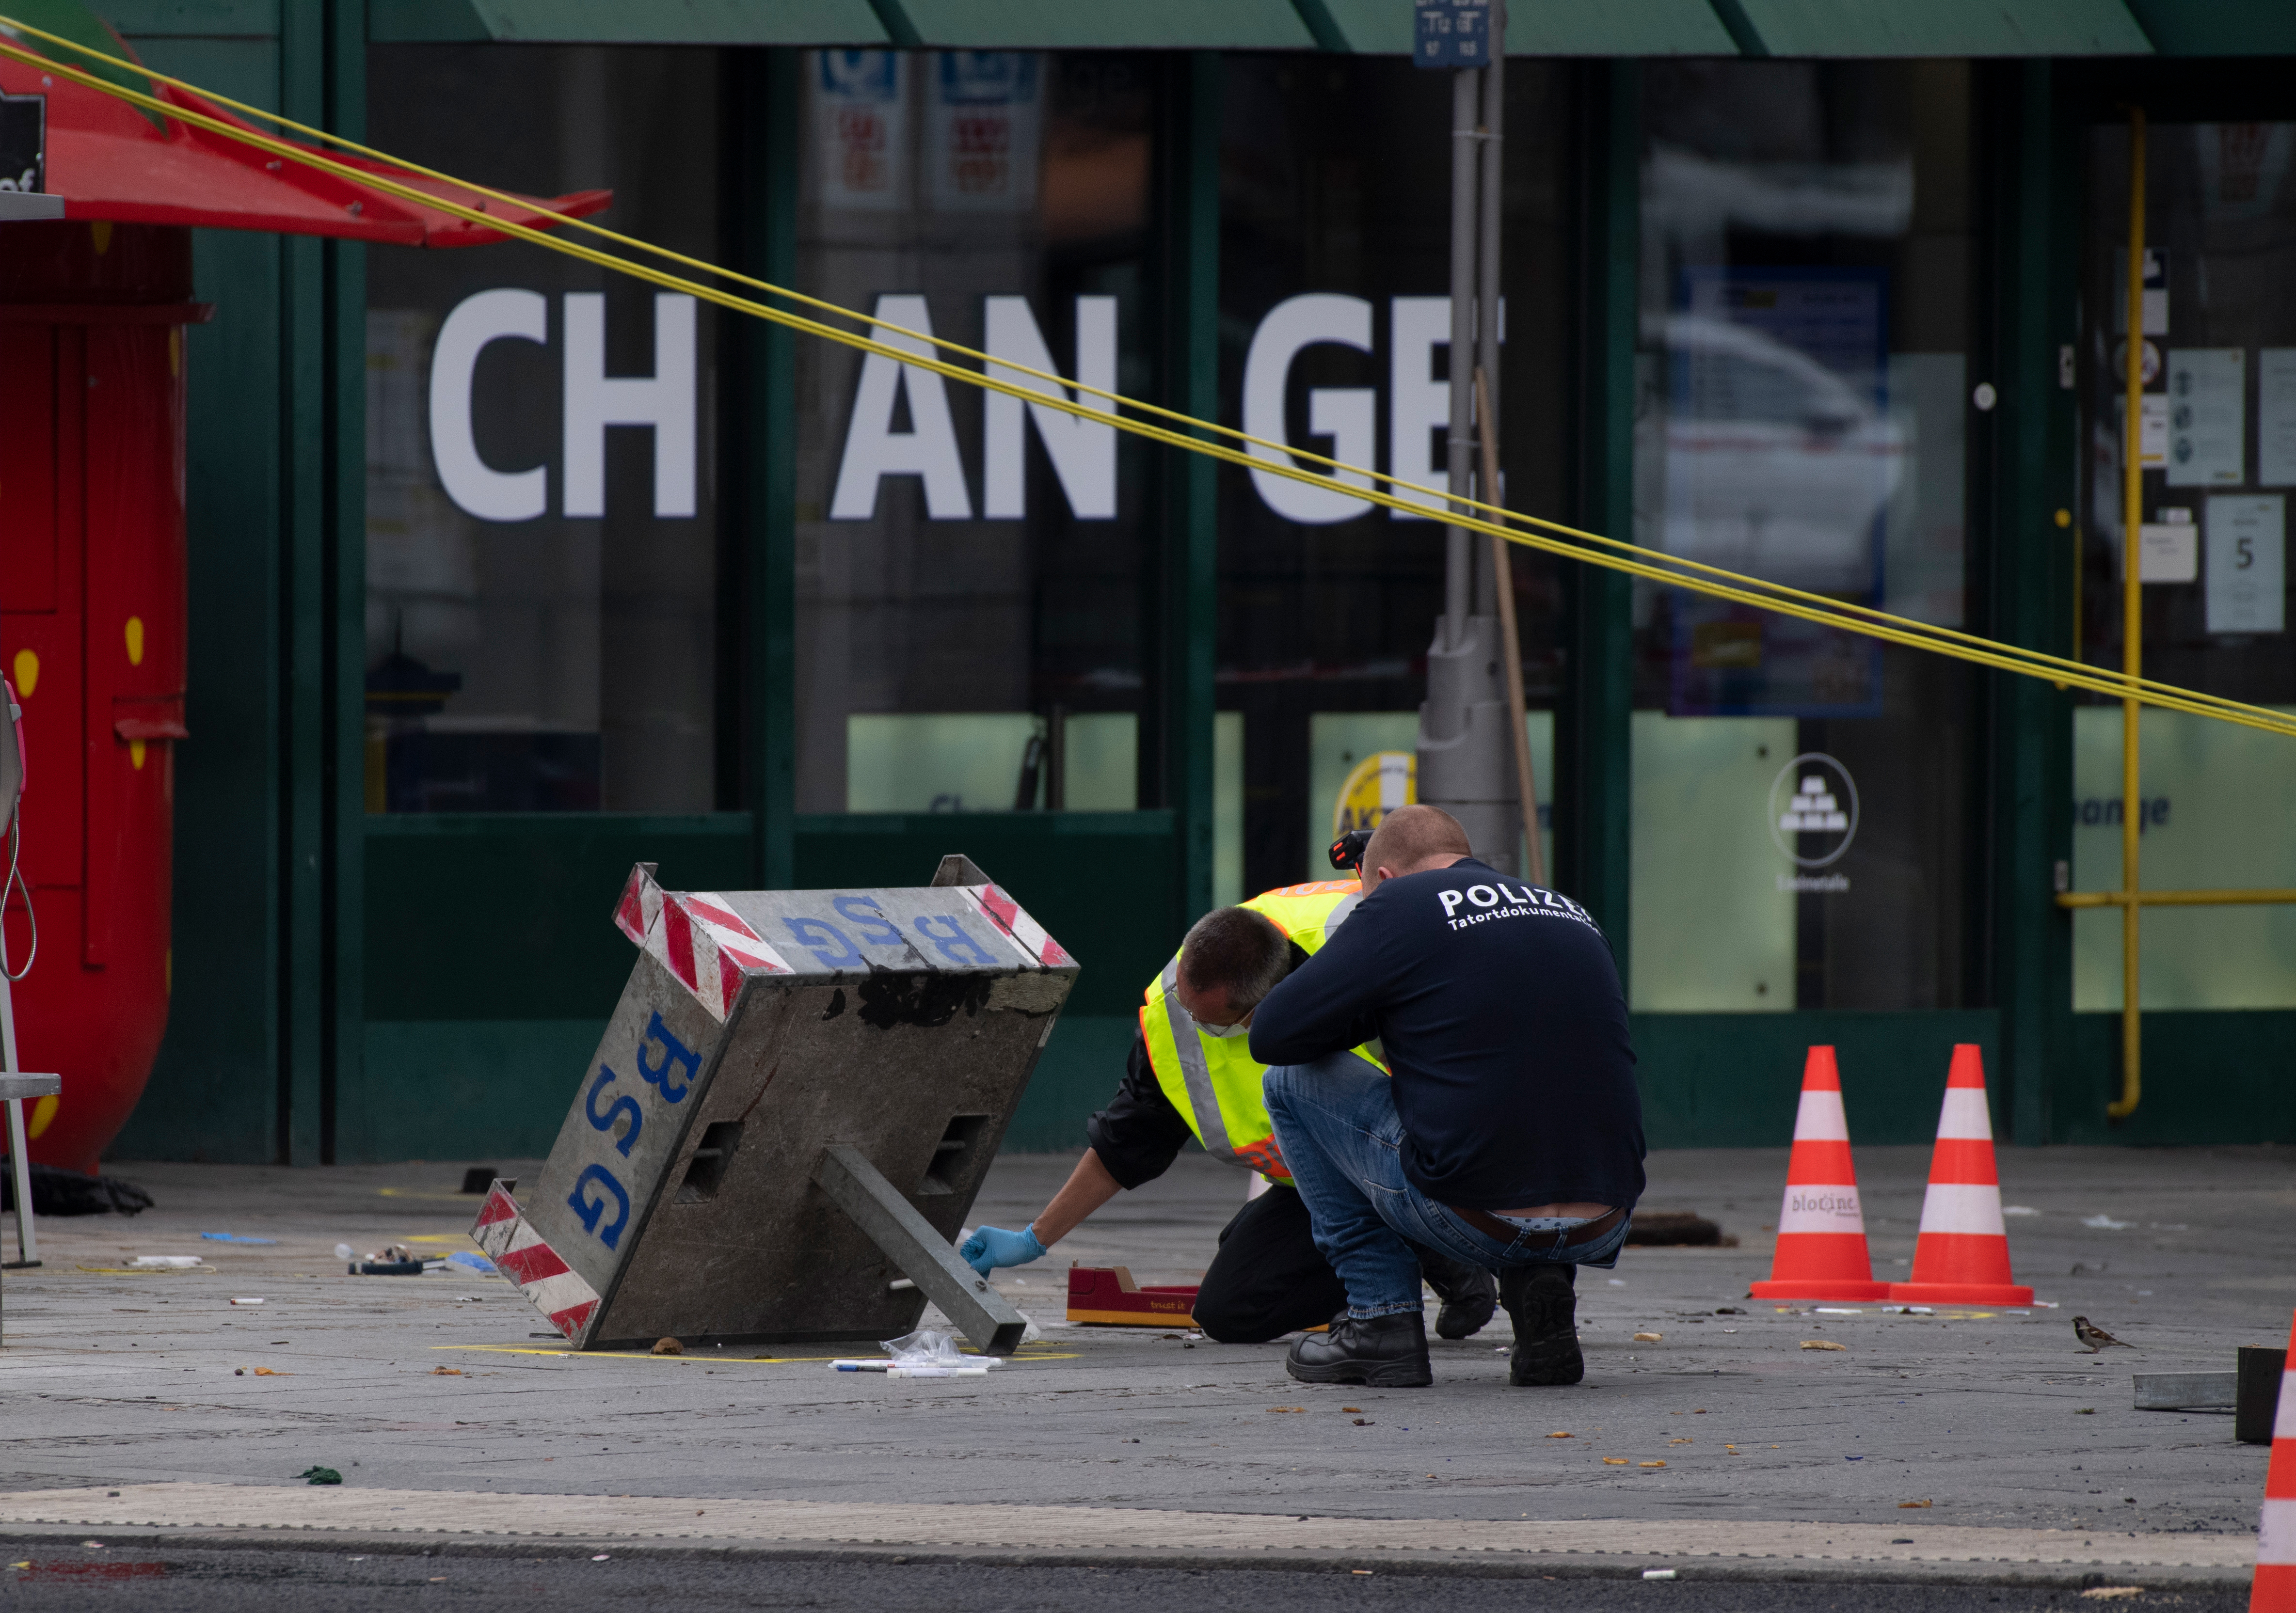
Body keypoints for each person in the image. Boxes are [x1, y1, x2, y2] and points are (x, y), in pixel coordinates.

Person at [959, 880, 1499, 1344]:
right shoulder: (1176, 1012)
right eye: (1189, 1007)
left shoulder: (1363, 958)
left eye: (1215, 1022)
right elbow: (1127, 1140)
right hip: (1331, 1185)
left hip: (1435, 1162)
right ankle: (1427, 1250)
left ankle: (1448, 1250)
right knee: (1231, 1306)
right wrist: (1034, 1239)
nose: (1196, 1026)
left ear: (1271, 1005)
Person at [1247, 804, 1645, 1389]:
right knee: (1527, 1080)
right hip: (1604, 1221)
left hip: (1471, 1216)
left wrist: (1376, 1005)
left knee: (1288, 1082)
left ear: (1380, 878)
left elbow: (1273, 1033)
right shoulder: (1568, 910)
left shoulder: (1400, 903)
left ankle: (1378, 1322)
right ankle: (1544, 1299)